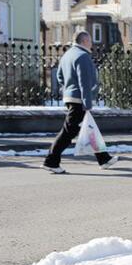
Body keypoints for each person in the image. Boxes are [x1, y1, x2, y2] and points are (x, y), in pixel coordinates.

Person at [42, 30, 119, 174]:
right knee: (68, 132)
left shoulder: (67, 54)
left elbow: (59, 77)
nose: (91, 44)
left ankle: (104, 158)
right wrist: (87, 103)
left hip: (71, 97)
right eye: (90, 40)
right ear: (84, 41)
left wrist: (69, 88)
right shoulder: (83, 56)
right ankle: (50, 161)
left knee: (90, 129)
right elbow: (85, 82)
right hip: (79, 100)